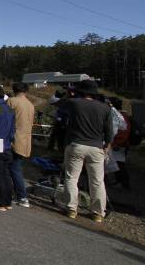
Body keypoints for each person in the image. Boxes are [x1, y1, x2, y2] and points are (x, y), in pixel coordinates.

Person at [60, 80, 113, 223]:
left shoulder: (74, 103)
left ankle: (71, 208)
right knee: (97, 181)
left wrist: (69, 94)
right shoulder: (105, 108)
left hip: (76, 144)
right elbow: (109, 131)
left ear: (80, 91)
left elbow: (61, 105)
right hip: (96, 147)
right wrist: (107, 146)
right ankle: (97, 213)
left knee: (72, 178)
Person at [7, 82, 35, 208]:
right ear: (26, 91)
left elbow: (5, 120)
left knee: (13, 168)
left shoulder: (11, 101)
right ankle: (18, 194)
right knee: (16, 167)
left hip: (13, 139)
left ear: (14, 90)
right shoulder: (30, 105)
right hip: (26, 140)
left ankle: (21, 196)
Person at [107, 97, 131, 191]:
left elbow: (124, 132)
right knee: (117, 164)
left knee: (120, 165)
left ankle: (124, 184)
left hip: (120, 144)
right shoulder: (118, 115)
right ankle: (119, 181)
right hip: (118, 143)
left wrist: (117, 143)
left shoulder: (121, 116)